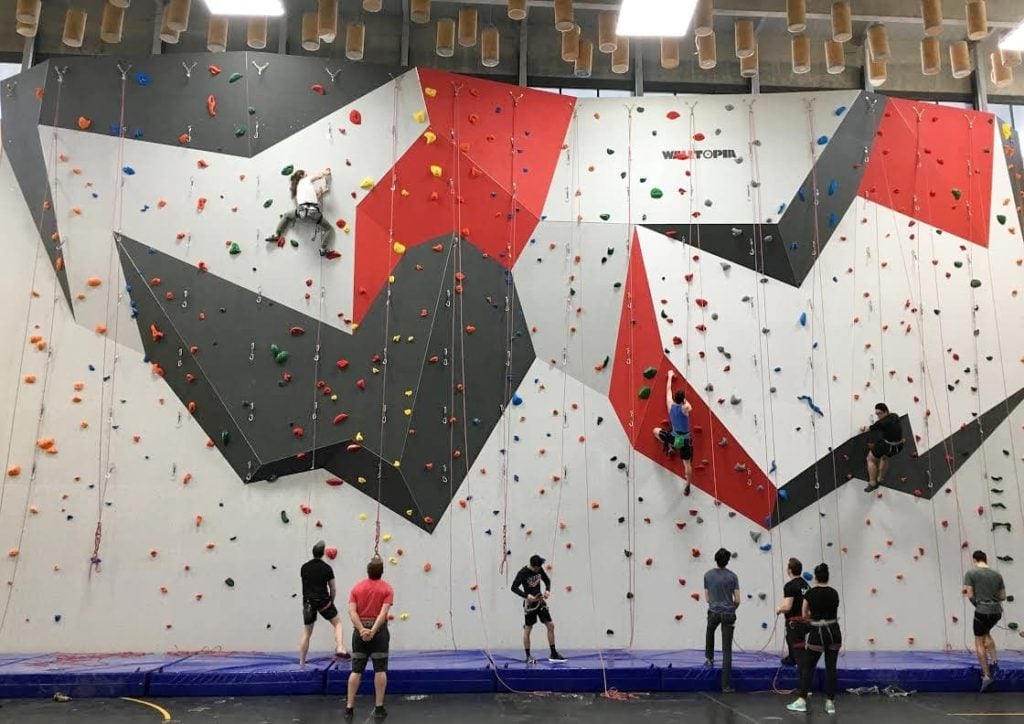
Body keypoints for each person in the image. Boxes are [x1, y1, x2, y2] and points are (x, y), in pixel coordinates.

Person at [787, 563, 842, 715]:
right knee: (831, 668)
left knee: (808, 667)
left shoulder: (810, 594)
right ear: (827, 576)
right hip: (834, 632)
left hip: (818, 632)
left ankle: (802, 700)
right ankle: (830, 702)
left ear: (816, 577)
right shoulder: (834, 593)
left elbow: (805, 615)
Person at [345, 555, 395, 721]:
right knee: (380, 669)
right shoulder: (387, 589)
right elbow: (383, 613)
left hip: (359, 633)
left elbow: (352, 612)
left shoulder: (357, 588)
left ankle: (349, 708)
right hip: (379, 632)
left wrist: (361, 629)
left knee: (356, 670)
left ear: (368, 571)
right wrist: (373, 631)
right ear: (382, 572)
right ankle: (379, 707)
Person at [298, 540, 348, 667]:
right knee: (337, 623)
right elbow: (333, 588)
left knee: (307, 633)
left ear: (313, 552)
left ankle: (302, 662)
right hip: (323, 601)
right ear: (322, 554)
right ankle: (340, 647)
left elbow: (306, 584)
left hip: (309, 602)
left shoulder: (304, 567)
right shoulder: (327, 568)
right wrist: (331, 601)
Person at [510, 554, 567, 664]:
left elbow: (547, 580)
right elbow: (514, 587)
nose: (539, 570)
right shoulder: (523, 573)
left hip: (540, 602)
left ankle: (553, 653)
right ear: (533, 566)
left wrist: (547, 590)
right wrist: (526, 596)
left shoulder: (539, 569)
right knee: (528, 628)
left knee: (550, 625)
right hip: (530, 604)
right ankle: (528, 656)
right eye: (537, 568)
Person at [964, 550, 1007, 692]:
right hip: (996, 612)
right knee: (987, 632)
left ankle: (987, 675)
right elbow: (1002, 596)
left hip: (982, 611)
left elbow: (970, 594)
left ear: (975, 560)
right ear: (986, 559)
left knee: (979, 641)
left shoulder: (971, 573)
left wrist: (980, 604)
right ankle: (994, 662)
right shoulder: (997, 575)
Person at [266, 168, 334, 253]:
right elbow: (319, 176)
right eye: (306, 173)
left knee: (286, 215)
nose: (307, 174)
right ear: (302, 175)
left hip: (301, 211)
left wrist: (322, 192)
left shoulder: (299, 187)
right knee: (328, 228)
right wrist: (326, 172)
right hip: (313, 212)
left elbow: (313, 198)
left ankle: (277, 235)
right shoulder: (306, 179)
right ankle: (323, 248)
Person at [704, 547, 740, 693]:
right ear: (727, 561)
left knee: (710, 631)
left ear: (715, 559)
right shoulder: (733, 577)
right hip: (728, 613)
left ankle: (709, 657)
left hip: (714, 611)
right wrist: (732, 609)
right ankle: (725, 686)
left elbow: (707, 598)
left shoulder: (707, 575)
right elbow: (737, 599)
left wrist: (714, 605)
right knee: (727, 650)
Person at [653, 369, 694, 494]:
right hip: (685, 441)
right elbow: (690, 407)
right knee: (686, 464)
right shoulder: (685, 409)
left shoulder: (670, 404)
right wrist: (685, 401)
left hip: (674, 437)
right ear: (682, 400)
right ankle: (688, 485)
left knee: (655, 431)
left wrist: (670, 376)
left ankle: (670, 445)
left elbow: (668, 390)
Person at [864, 403, 905, 492]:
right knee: (884, 457)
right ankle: (880, 478)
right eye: (877, 414)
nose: (878, 416)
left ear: (886, 412)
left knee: (870, 459)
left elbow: (868, 428)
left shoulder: (880, 423)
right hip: (899, 446)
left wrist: (863, 428)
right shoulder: (894, 416)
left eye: (880, 413)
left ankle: (872, 483)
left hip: (887, 446)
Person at [776, 557, 810, 667]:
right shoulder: (807, 585)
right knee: (798, 643)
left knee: (795, 645)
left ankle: (796, 664)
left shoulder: (790, 586)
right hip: (805, 622)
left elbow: (788, 607)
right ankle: (794, 658)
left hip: (794, 623)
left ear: (790, 570)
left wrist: (779, 609)